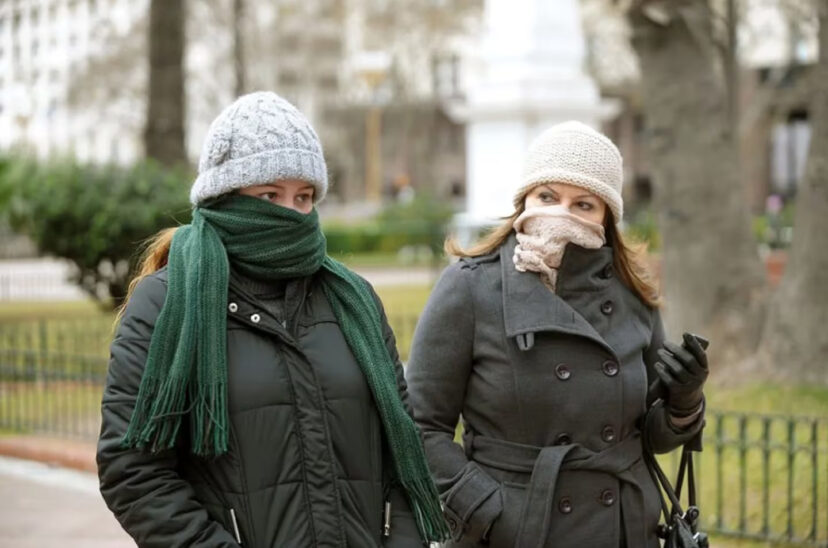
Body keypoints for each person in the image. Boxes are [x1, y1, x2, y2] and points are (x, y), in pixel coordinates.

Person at [97, 92, 448, 547]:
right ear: (225, 197)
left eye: (304, 196)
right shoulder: (165, 303)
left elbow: (402, 445)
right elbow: (133, 471)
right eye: (269, 194)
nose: (291, 213)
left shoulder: (353, 299)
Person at [406, 121, 709, 548]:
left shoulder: (632, 295)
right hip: (518, 532)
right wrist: (488, 510)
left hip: (621, 530)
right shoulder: (470, 288)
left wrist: (685, 401)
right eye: (548, 197)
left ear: (606, 215)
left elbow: (652, 436)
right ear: (524, 200)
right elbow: (420, 427)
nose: (561, 214)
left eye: (583, 204)